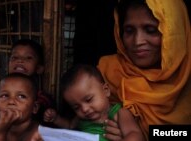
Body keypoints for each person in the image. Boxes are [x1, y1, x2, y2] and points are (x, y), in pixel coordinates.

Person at [98, 0, 191, 138]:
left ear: (175, 32)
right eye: (129, 31)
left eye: (151, 30)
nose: (138, 41)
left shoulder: (187, 79)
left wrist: (141, 134)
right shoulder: (106, 72)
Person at [44, 65, 145, 141]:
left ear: (106, 90)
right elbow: (70, 126)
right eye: (76, 107)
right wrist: (56, 119)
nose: (84, 109)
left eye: (88, 100)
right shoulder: (81, 118)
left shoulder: (120, 113)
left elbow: (134, 134)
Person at [0, 39, 54, 125]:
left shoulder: (42, 99)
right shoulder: (2, 98)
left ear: (39, 68)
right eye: (15, 57)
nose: (20, 60)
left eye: (28, 58)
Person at [0, 73, 41, 141]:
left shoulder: (37, 134)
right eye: (5, 96)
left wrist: (0, 134)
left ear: (34, 107)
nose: (11, 102)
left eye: (21, 96)